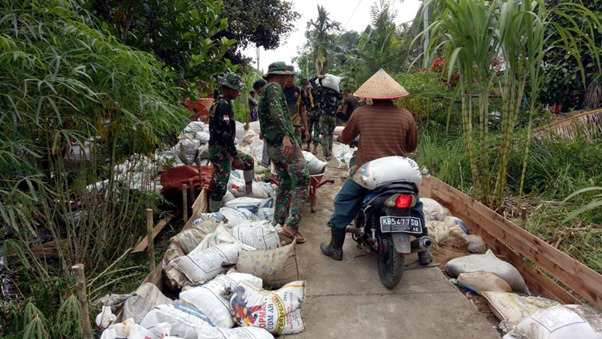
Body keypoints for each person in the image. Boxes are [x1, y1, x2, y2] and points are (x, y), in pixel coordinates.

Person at [321, 69, 429, 265]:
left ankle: (335, 247)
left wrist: (343, 137)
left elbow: (346, 137)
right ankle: (424, 251)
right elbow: (411, 146)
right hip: (400, 172)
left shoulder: (361, 113)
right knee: (416, 204)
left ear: (369, 95)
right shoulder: (406, 115)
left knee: (344, 201)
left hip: (370, 172)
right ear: (394, 95)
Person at [258, 62, 310, 244]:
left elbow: (267, 117)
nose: (289, 78)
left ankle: (278, 221)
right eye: (286, 75)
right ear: (279, 75)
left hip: (273, 145)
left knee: (286, 181)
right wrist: (287, 135)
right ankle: (291, 226)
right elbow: (276, 112)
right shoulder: (274, 87)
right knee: (303, 180)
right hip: (283, 143)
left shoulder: (266, 89)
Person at [208, 73, 255, 212]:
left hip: (225, 148)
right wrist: (234, 156)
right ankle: (213, 213)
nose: (238, 93)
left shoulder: (224, 103)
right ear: (227, 88)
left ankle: (249, 193)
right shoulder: (222, 105)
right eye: (236, 89)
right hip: (220, 149)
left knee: (249, 161)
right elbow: (225, 134)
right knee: (220, 183)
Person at [314, 76, 342, 161]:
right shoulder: (334, 92)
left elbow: (312, 82)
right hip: (332, 116)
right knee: (330, 134)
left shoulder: (321, 90)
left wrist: (319, 78)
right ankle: (330, 151)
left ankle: (326, 155)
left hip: (323, 115)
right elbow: (340, 97)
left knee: (324, 135)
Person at [283, 65, 309, 145]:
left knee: (297, 152)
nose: (289, 78)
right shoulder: (279, 90)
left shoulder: (299, 91)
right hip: (282, 128)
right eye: (287, 76)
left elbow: (302, 111)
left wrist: (306, 128)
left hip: (296, 126)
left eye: (291, 76)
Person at [301, 79, 320, 153]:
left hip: (309, 113)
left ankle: (308, 147)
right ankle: (315, 149)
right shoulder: (315, 90)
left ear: (303, 85)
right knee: (316, 130)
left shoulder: (304, 92)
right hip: (317, 113)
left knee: (308, 129)